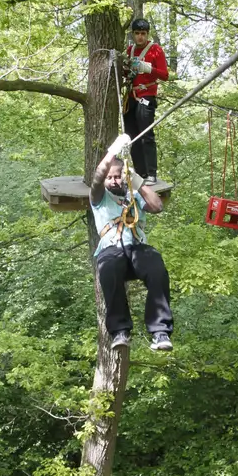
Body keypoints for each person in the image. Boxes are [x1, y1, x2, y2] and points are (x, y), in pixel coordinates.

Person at [91, 134, 172, 351]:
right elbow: (98, 176)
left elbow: (157, 206)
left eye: (118, 177)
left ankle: (160, 331)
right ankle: (120, 331)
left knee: (157, 268)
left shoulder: (134, 196)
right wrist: (114, 150)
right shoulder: (99, 198)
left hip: (137, 249)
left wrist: (135, 180)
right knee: (109, 269)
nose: (114, 181)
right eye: (111, 177)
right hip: (111, 250)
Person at [119, 17, 169, 185]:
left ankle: (151, 173)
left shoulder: (155, 50)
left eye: (143, 34)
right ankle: (140, 173)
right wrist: (126, 68)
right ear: (132, 34)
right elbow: (126, 74)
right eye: (137, 33)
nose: (140, 37)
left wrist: (148, 68)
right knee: (132, 136)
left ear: (147, 34)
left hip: (146, 96)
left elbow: (164, 75)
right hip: (131, 97)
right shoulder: (129, 50)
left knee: (146, 135)